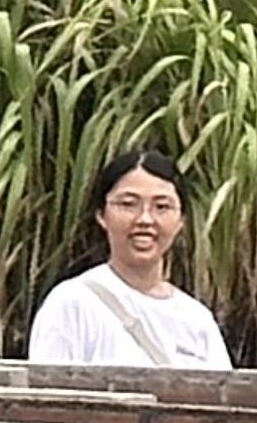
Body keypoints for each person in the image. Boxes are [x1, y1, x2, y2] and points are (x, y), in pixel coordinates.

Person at [25, 147, 229, 370]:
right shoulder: (72, 303)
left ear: (181, 220)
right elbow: (48, 396)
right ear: (102, 215)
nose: (145, 219)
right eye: (128, 204)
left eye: (162, 207)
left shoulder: (197, 319)